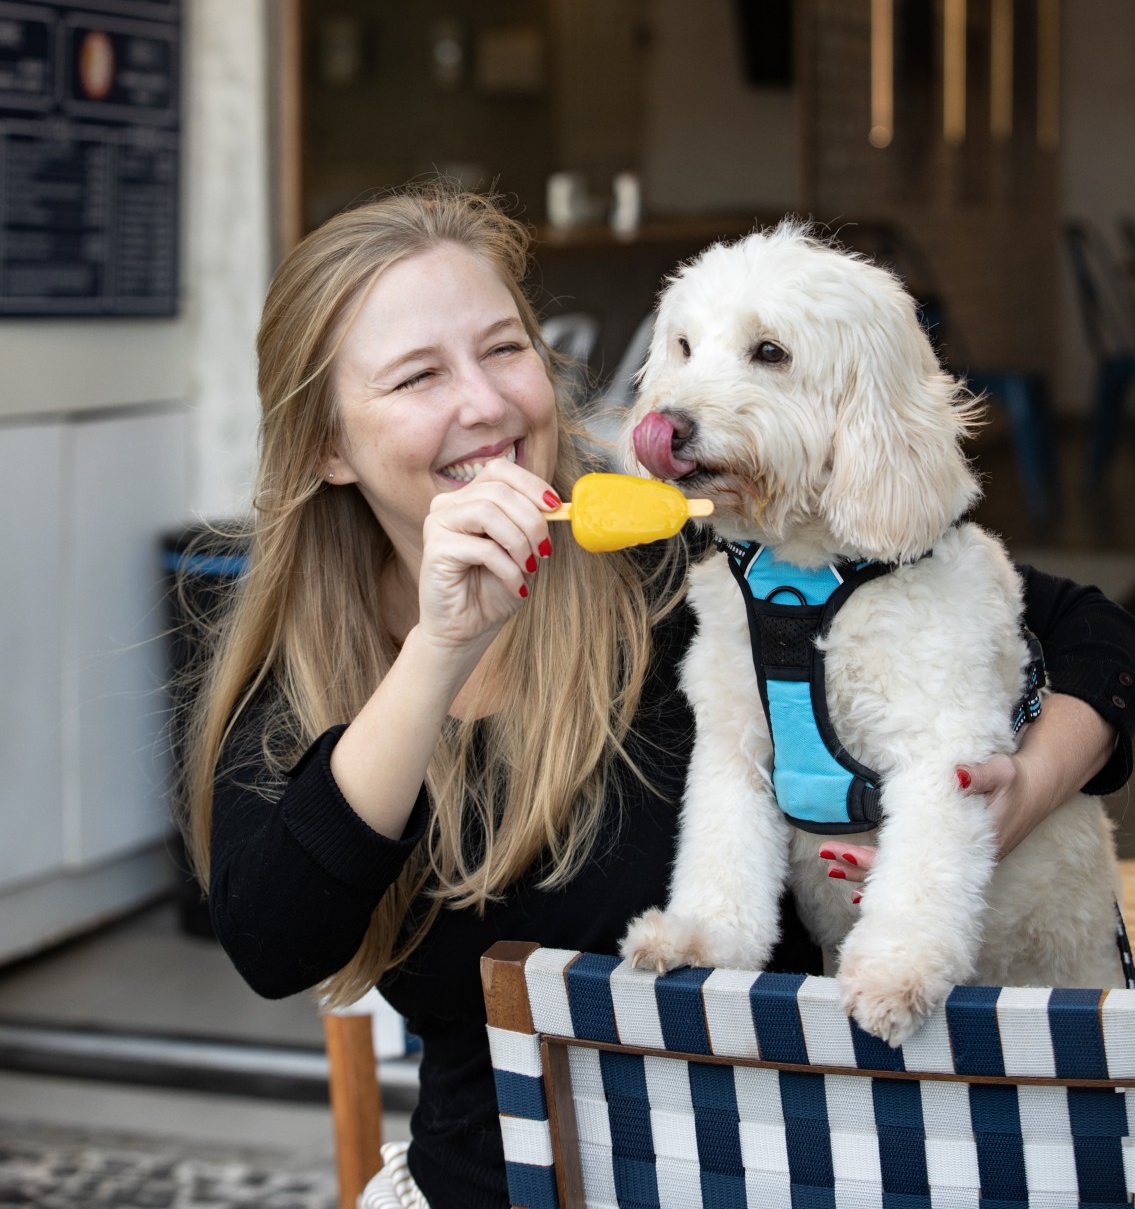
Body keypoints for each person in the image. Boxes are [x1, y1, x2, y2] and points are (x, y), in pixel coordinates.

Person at [184, 184, 1135, 1209]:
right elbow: (275, 943)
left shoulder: (689, 544)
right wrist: (439, 649)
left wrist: (1025, 787)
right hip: (497, 1179)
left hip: (797, 1160)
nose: (487, 403)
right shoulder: (300, 668)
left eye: (506, 349)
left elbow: (1080, 627)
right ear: (328, 444)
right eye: (419, 375)